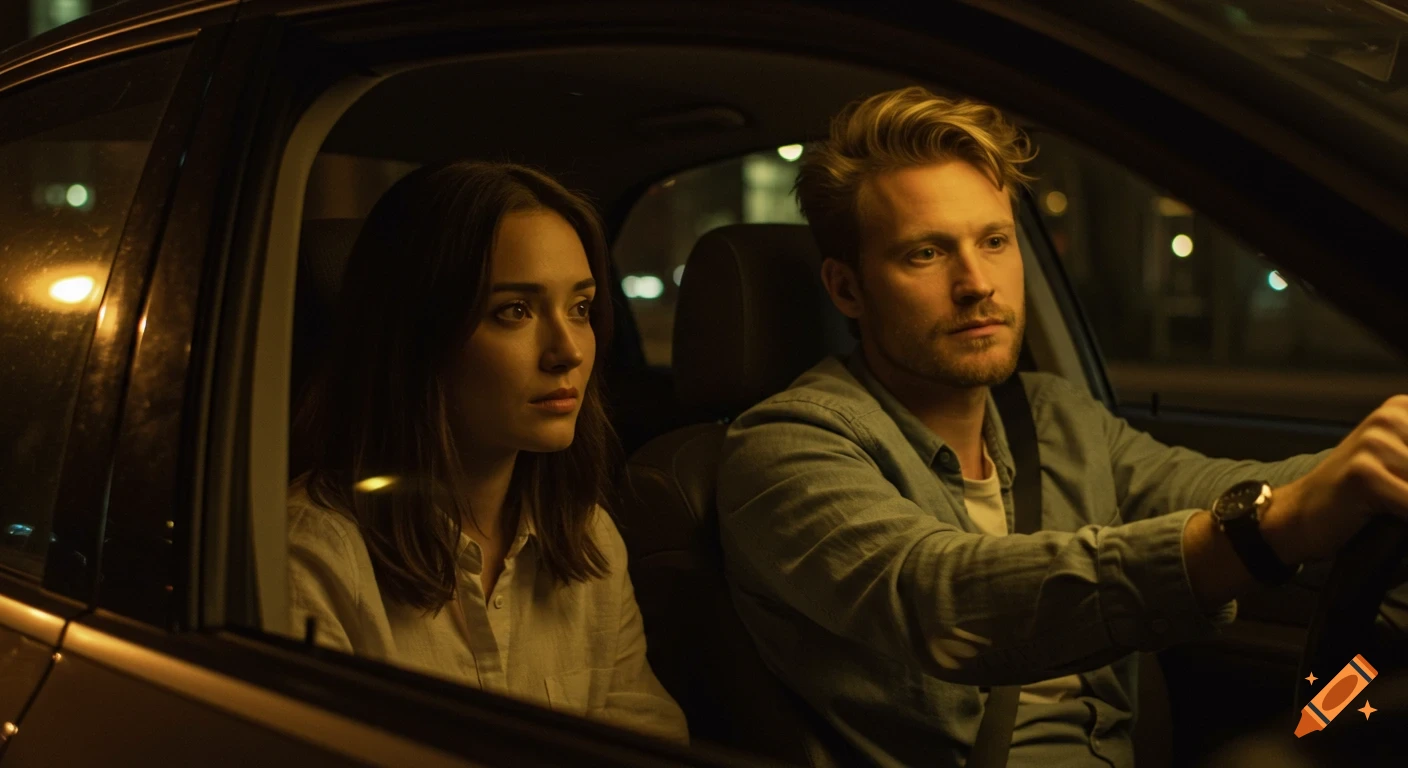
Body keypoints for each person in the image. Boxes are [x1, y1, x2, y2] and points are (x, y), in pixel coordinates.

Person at [715, 86, 1408, 767]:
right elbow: (946, 600)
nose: (976, 282)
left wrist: (1372, 468)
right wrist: (1269, 527)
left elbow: (1208, 485)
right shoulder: (784, 448)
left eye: (994, 241)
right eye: (926, 253)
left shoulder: (1050, 414)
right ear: (846, 288)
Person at [288, 160, 688, 744]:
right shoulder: (314, 558)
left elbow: (646, 743)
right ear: (418, 337)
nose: (567, 351)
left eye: (579, 308)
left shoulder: (587, 537)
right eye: (515, 311)